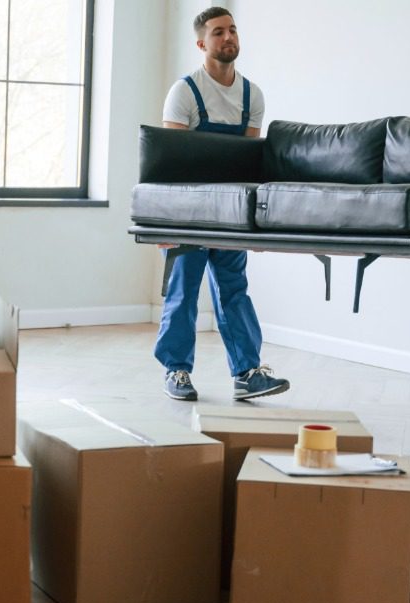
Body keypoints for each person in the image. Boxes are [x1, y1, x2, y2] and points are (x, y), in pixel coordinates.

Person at [155, 6, 289, 402]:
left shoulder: (252, 95)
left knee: (234, 289)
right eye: (218, 32)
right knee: (184, 289)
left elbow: (249, 163)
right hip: (190, 210)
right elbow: (171, 161)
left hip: (230, 210)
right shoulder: (184, 92)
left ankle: (247, 372)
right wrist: (166, 222)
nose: (228, 37)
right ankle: (176, 370)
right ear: (201, 44)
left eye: (232, 30)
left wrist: (254, 225)